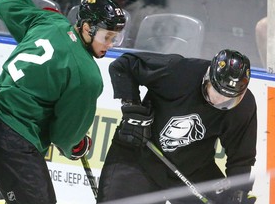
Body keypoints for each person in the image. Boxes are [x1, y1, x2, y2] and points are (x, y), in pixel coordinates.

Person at [0, 0, 125, 204]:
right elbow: (65, 137)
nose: (110, 44)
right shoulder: (87, 75)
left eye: (115, 38)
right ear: (87, 28)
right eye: (106, 37)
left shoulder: (50, 21)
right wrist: (77, 146)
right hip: (13, 135)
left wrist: (39, 16)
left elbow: (6, 3)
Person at [97, 49, 257, 204]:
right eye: (217, 93)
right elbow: (123, 65)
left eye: (229, 98)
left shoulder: (243, 107)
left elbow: (241, 158)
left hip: (193, 168)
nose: (221, 101)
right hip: (139, 155)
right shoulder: (178, 71)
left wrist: (237, 192)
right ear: (208, 78)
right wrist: (132, 108)